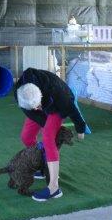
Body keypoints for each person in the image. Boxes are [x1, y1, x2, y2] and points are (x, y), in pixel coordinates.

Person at [14, 67, 87, 202]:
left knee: (48, 137)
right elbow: (32, 112)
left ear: (41, 96)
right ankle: (43, 165)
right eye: (34, 108)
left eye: (37, 106)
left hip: (56, 106)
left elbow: (72, 109)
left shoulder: (59, 94)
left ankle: (54, 188)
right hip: (37, 104)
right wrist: (42, 118)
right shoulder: (20, 94)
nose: (36, 109)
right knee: (26, 137)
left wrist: (80, 128)